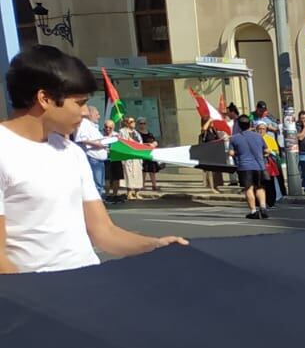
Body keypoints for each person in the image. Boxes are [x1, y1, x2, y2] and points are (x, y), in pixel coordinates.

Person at [0, 45, 186, 274]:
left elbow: (104, 232)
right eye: (79, 103)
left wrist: (155, 245)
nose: (86, 112)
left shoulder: (71, 152)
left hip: (89, 284)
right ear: (44, 98)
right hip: (37, 295)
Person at [229, 114, 270, 219]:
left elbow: (231, 153)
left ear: (239, 125)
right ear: (249, 124)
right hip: (259, 166)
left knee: (249, 188)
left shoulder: (234, 138)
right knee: (260, 187)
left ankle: (253, 211)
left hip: (244, 166)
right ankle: (263, 208)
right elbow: (266, 150)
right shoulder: (258, 136)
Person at [73, 104, 112, 195]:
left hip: (98, 159)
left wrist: (104, 143)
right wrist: (99, 144)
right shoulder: (84, 124)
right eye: (97, 114)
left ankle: (99, 203)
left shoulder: (93, 126)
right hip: (92, 159)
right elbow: (82, 139)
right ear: (90, 114)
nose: (99, 116)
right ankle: (95, 206)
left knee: (100, 184)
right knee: (96, 185)